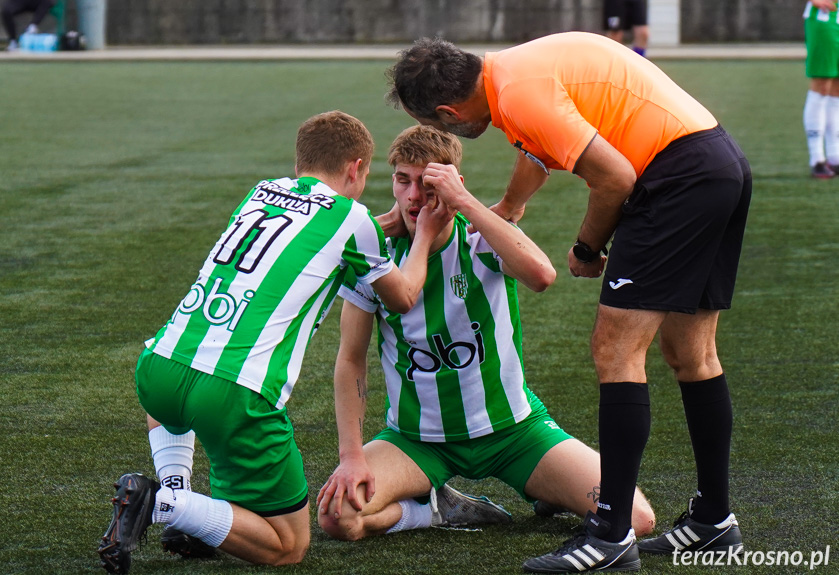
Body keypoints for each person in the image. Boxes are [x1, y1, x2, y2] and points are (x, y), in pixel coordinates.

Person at [387, 33, 751, 573]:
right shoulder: (512, 70)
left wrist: (587, 246)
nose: (452, 132)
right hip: (718, 164)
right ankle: (714, 522)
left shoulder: (517, 95)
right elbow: (539, 146)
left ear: (446, 111)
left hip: (672, 178)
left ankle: (609, 535)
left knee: (615, 350)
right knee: (692, 354)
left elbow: (615, 178)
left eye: (443, 125)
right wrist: (510, 206)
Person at [97, 111, 452, 574]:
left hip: (159, 366)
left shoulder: (260, 192)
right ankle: (166, 504)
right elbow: (403, 296)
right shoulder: (354, 219)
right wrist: (423, 237)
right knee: (287, 544)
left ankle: (176, 489)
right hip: (235, 393)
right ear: (356, 168)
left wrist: (382, 225)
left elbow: (320, 238)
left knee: (175, 381)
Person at [316, 125, 655, 544]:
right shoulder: (374, 253)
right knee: (337, 518)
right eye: (402, 181)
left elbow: (542, 275)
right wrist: (351, 457)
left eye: (427, 184)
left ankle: (550, 490)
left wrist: (466, 204)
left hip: (513, 432)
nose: (413, 197)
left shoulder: (479, 237)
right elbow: (350, 358)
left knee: (635, 519)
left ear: (454, 185)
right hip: (418, 440)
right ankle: (433, 510)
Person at [803, 0, 839, 178]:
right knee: (822, 86)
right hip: (825, 17)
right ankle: (817, 159)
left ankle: (835, 157)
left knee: (837, 89)